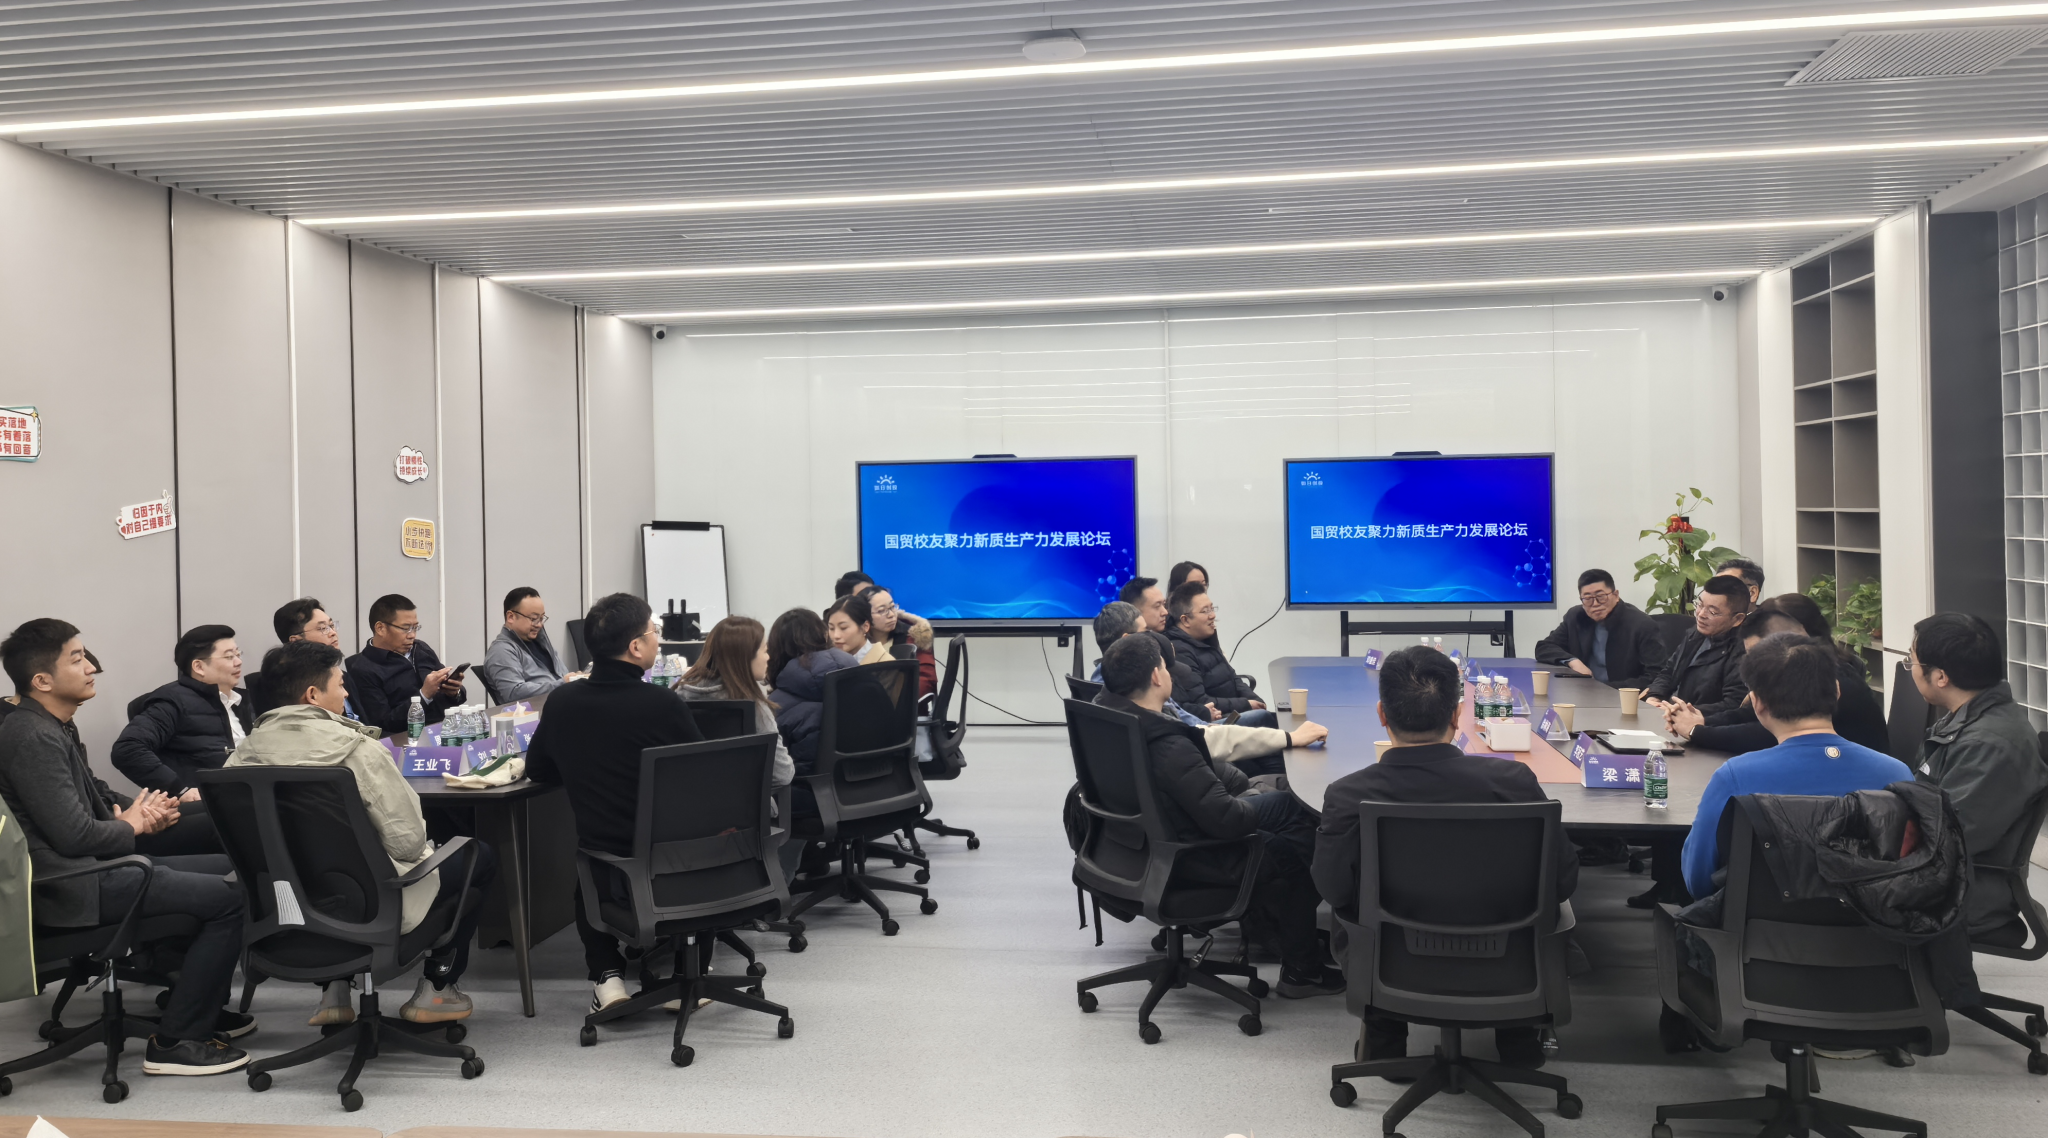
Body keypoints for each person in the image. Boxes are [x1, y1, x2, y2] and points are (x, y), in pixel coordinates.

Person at [0, 619, 251, 1075]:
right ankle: (178, 1040)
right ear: (42, 681)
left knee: (225, 868)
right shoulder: (31, 736)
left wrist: (142, 812)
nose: (91, 667)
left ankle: (193, 1002)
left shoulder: (53, 725)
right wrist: (133, 824)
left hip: (96, 866)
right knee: (231, 900)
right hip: (73, 885)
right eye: (77, 659)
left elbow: (92, 797)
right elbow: (74, 836)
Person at [1313, 644, 1577, 1071]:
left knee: (1353, 911)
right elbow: (1563, 882)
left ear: (1382, 714)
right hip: (1509, 961)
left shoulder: (1348, 794)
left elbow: (1332, 888)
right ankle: (1517, 1043)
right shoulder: (1513, 782)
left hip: (1391, 963)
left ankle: (1386, 1044)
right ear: (1457, 715)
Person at [228, 640, 498, 1026]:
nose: (346, 693)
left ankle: (334, 991)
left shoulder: (237, 760)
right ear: (312, 695)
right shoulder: (358, 752)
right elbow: (408, 844)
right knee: (476, 856)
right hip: (369, 911)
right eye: (340, 684)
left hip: (278, 913)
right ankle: (438, 989)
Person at [1093, 634, 1340, 998]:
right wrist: (1252, 797)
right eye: (1164, 667)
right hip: (1193, 854)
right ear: (1157, 677)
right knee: (1299, 833)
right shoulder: (1168, 743)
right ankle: (1301, 968)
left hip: (1136, 848)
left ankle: (1280, 932)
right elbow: (1228, 820)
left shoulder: (1112, 721)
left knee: (1285, 808)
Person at [526, 593, 705, 1013]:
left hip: (602, 848)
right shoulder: (663, 704)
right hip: (671, 853)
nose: (658, 640)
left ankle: (607, 978)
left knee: (589, 867)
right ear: (636, 646)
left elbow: (539, 769)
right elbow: (700, 774)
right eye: (654, 632)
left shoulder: (563, 702)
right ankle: (687, 973)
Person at [1680, 633, 1912, 900]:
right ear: (1837, 692)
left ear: (1757, 703)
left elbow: (1698, 879)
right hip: (1875, 923)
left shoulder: (1736, 776)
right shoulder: (1897, 774)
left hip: (1755, 924)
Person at [1907, 613, 2048, 937]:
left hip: (1959, 896)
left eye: (1910, 661)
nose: (1910, 669)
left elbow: (1946, 840)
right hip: (1946, 879)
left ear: (1940, 676)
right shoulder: (1970, 718)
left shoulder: (1988, 745)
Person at [1090, 605, 1326, 765]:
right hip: (1203, 746)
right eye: (1145, 632)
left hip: (1204, 736)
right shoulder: (1141, 695)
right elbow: (1194, 733)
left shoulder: (1107, 696)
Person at [1662, 595, 1887, 754]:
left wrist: (1697, 731)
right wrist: (1702, 720)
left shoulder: (1829, 678)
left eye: (1759, 653)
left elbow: (1767, 735)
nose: (1755, 663)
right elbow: (1751, 714)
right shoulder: (1802, 669)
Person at [680, 616, 800, 881]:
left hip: (687, 818)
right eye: (764, 650)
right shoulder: (754, 705)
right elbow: (782, 775)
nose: (769, 657)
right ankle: (781, 879)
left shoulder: (678, 696)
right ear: (745, 657)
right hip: (748, 816)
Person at [110, 624, 254, 799]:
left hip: (254, 796)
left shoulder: (245, 701)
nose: (238, 662)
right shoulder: (173, 701)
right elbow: (127, 749)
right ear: (199, 667)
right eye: (229, 656)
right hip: (211, 805)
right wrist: (180, 789)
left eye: (238, 654)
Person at [344, 593, 466, 738]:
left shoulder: (420, 649)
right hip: (406, 741)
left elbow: (456, 698)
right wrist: (424, 695)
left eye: (415, 628)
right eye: (405, 628)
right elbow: (382, 724)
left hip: (445, 730)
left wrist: (454, 692)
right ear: (380, 628)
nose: (412, 635)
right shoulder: (363, 668)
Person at [765, 607, 863, 781]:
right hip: (880, 784)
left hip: (810, 792)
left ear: (776, 650)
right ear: (824, 636)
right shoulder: (866, 680)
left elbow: (776, 772)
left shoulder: (774, 707)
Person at [1164, 580, 1274, 726]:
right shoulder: (1180, 650)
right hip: (1217, 720)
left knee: (1272, 716)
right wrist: (1246, 704)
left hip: (1233, 711)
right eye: (1205, 611)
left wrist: (1254, 699)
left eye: (1212, 609)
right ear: (1185, 620)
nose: (1213, 616)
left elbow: (1233, 678)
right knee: (1265, 717)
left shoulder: (1206, 640)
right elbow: (1201, 701)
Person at [1533, 569, 1667, 688]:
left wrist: (1605, 689)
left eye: (1601, 596)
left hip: (1622, 697)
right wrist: (1572, 661)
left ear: (1616, 595)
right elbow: (1544, 647)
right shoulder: (1575, 617)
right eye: (1587, 598)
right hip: (1583, 693)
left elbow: (1656, 675)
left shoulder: (1641, 624)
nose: (1595, 604)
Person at [1642, 574, 1751, 717]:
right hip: (1668, 713)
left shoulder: (1742, 651)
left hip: (1700, 722)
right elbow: (1669, 671)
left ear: (1737, 619)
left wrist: (1683, 711)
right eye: (1699, 605)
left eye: (1712, 612)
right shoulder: (1695, 633)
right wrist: (1655, 696)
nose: (1701, 615)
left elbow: (1733, 704)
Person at [482, 586, 580, 702]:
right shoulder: (501, 651)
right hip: (538, 711)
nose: (539, 625)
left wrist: (577, 679)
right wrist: (563, 684)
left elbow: (563, 676)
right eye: (534, 618)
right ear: (511, 617)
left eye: (541, 618)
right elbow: (513, 693)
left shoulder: (541, 643)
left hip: (564, 703)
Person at [267, 598, 358, 718]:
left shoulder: (342, 676)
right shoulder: (288, 685)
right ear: (296, 641)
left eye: (331, 625)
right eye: (322, 628)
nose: (333, 633)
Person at [854, 583, 937, 697]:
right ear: (865, 617)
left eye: (892, 607)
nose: (891, 615)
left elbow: (926, 679)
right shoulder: (856, 640)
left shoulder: (913, 637)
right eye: (882, 610)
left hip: (902, 703)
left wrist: (899, 699)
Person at [823, 594, 878, 662]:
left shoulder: (884, 663)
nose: (836, 636)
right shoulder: (829, 662)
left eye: (843, 628)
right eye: (831, 628)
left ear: (865, 627)